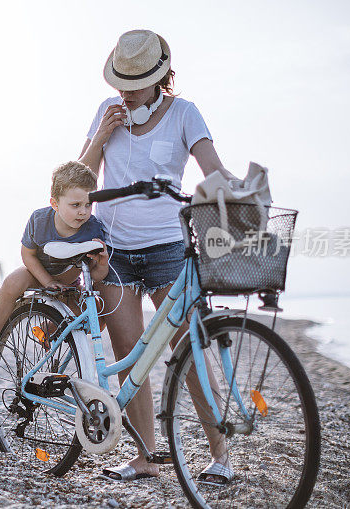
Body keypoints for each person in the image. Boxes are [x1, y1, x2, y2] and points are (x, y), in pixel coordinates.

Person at [79, 29, 237, 483]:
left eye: (135, 84)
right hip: (115, 251)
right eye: (121, 83)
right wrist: (101, 135)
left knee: (186, 350)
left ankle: (219, 454)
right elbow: (81, 179)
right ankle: (147, 455)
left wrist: (238, 197)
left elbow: (214, 169)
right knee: (132, 355)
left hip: (169, 248)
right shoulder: (106, 114)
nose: (126, 93)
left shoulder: (185, 114)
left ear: (162, 75)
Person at [0, 161, 109, 370]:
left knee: (99, 316)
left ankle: (48, 329)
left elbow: (94, 275)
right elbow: (27, 254)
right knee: (12, 281)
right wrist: (46, 280)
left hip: (69, 280)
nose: (83, 212)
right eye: (75, 205)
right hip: (37, 271)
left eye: (88, 205)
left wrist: (102, 264)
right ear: (55, 204)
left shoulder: (92, 227)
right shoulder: (40, 220)